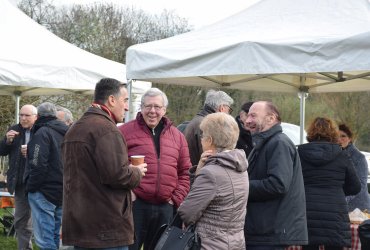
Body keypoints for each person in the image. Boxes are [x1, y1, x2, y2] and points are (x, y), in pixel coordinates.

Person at [61, 78, 146, 250]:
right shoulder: (106, 130)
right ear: (112, 100)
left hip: (82, 226)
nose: (127, 107)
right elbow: (117, 175)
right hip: (106, 230)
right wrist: (136, 172)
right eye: (125, 101)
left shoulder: (75, 128)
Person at [119, 87, 191, 250]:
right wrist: (126, 193)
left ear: (164, 110)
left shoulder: (178, 136)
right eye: (148, 106)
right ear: (141, 108)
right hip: (135, 206)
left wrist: (175, 199)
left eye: (157, 107)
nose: (152, 111)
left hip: (165, 207)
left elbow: (185, 172)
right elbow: (115, 168)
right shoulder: (124, 132)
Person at [178, 112, 249, 249]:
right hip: (235, 242)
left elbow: (187, 213)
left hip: (210, 243)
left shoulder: (211, 173)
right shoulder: (240, 167)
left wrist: (201, 173)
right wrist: (198, 171)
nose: (201, 139)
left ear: (209, 140)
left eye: (203, 135)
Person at [244, 101, 308, 249]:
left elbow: (278, 184)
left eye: (253, 116)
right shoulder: (265, 143)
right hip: (265, 231)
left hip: (272, 234)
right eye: (247, 116)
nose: (247, 121)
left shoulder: (279, 143)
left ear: (271, 119)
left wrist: (241, 186)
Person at [298, 117, 361, 250]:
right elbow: (355, 187)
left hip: (307, 210)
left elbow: (293, 184)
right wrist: (337, 190)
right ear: (333, 133)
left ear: (311, 132)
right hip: (335, 212)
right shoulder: (342, 155)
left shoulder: (300, 154)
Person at [24, 102, 69, 250]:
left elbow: (37, 163)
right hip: (62, 190)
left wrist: (31, 187)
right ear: (55, 115)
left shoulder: (42, 132)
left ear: (39, 116)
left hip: (44, 192)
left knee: (45, 239)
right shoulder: (67, 132)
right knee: (54, 234)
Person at [0, 104, 37, 250]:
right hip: (20, 183)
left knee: (42, 221)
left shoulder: (41, 131)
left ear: (36, 116)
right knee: (21, 222)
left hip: (39, 183)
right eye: (21, 115)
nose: (23, 118)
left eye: (27, 115)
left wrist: (32, 152)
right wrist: (7, 141)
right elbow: (2, 151)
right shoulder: (14, 129)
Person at [184, 89, 234, 165]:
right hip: (200, 174)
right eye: (229, 110)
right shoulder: (208, 125)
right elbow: (210, 159)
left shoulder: (198, 120)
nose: (229, 114)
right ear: (222, 108)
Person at [338, 123, 370, 211]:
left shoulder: (359, 158)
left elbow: (361, 185)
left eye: (343, 136)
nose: (339, 139)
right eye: (336, 136)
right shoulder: (335, 155)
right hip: (340, 206)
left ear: (350, 139)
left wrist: (343, 200)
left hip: (359, 208)